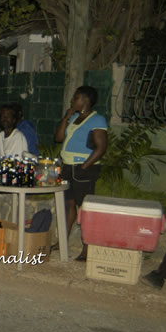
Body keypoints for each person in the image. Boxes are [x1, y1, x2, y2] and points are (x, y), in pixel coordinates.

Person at [54, 85, 108, 261]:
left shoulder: (97, 120)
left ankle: (87, 248)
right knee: (68, 205)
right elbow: (59, 138)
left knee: (85, 208)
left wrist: (84, 167)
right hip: (68, 167)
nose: (72, 100)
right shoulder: (74, 117)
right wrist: (66, 118)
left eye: (76, 98)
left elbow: (101, 148)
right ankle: (62, 241)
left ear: (85, 100)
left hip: (83, 168)